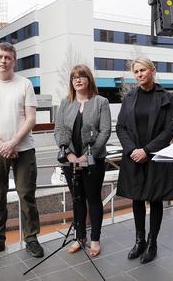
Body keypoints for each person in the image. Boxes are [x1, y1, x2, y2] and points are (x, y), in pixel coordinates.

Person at [0, 42, 44, 260]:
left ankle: (31, 238)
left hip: (24, 149)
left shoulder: (25, 85)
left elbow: (31, 118)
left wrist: (13, 142)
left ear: (14, 61)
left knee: (26, 195)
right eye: (0, 57)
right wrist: (2, 145)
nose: (3, 61)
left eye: (8, 57)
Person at [116, 57, 173, 264]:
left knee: (156, 198)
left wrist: (147, 150)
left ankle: (152, 243)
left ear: (152, 70)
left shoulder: (166, 97)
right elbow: (121, 127)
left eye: (143, 70)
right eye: (136, 71)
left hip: (156, 156)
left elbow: (168, 130)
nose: (140, 74)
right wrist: (133, 150)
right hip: (134, 156)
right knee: (137, 198)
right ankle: (139, 240)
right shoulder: (130, 96)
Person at [54, 64, 111, 257]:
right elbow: (59, 130)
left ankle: (95, 239)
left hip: (93, 160)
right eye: (74, 77)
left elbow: (105, 131)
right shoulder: (65, 102)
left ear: (89, 79)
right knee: (77, 200)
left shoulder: (101, 102)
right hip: (70, 162)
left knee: (93, 199)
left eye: (82, 76)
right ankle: (80, 237)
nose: (77, 80)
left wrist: (90, 154)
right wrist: (69, 155)